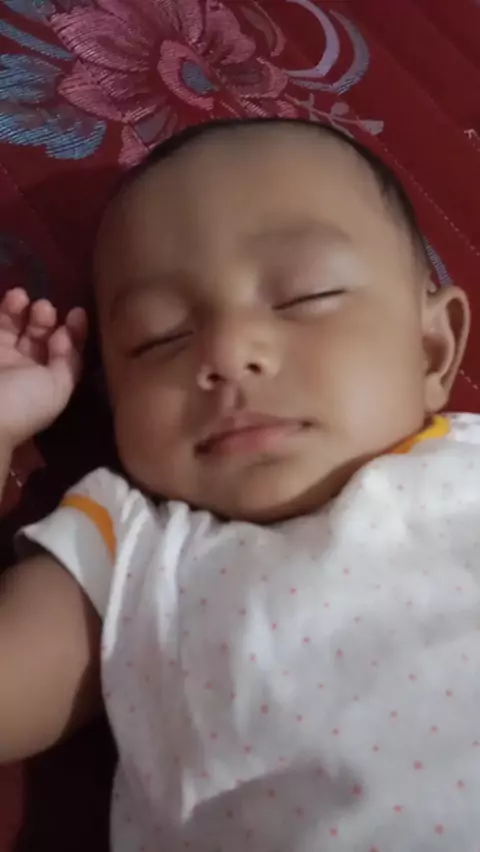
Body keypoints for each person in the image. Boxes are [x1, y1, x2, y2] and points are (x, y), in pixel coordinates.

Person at [0, 117, 477, 852]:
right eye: (160, 337)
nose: (226, 351)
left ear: (432, 347)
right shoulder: (135, 556)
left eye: (305, 296)